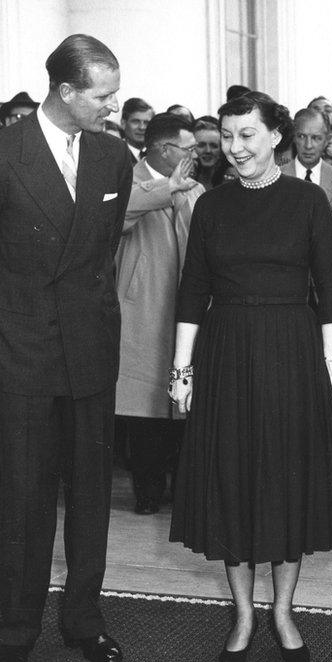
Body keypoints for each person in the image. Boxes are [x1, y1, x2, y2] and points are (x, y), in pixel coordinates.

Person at [0, 34, 133, 662]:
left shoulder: (114, 157)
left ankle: (84, 617)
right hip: (20, 355)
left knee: (90, 498)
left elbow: (102, 252)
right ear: (65, 91)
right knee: (23, 501)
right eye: (102, 95)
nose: (112, 106)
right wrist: (13, 326)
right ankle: (16, 630)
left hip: (89, 352)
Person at [168, 91, 332, 662]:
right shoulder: (212, 205)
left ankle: (283, 611)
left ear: (276, 135)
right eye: (227, 136)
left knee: (283, 479)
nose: (235, 147)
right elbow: (191, 294)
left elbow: (329, 291)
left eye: (247, 135)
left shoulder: (307, 201)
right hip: (226, 354)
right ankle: (244, 613)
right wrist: (181, 372)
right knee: (234, 478)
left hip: (292, 355)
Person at [117, 113, 201, 515]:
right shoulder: (124, 180)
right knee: (144, 409)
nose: (195, 154)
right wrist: (169, 188)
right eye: (188, 147)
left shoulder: (196, 188)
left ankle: (183, 491)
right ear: (165, 150)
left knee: (183, 405)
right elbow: (123, 214)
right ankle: (148, 493)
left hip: (185, 310)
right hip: (142, 311)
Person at [283, 108, 332, 206]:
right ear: (294, 137)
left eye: (316, 138)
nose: (308, 145)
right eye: (302, 136)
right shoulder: (275, 178)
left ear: (327, 140)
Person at [191, 116, 222, 189]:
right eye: (201, 145)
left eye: (214, 146)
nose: (208, 150)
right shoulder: (181, 181)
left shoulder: (232, 180)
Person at [121, 97, 154, 163]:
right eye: (136, 122)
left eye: (146, 123)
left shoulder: (156, 156)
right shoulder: (114, 154)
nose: (142, 127)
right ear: (123, 123)